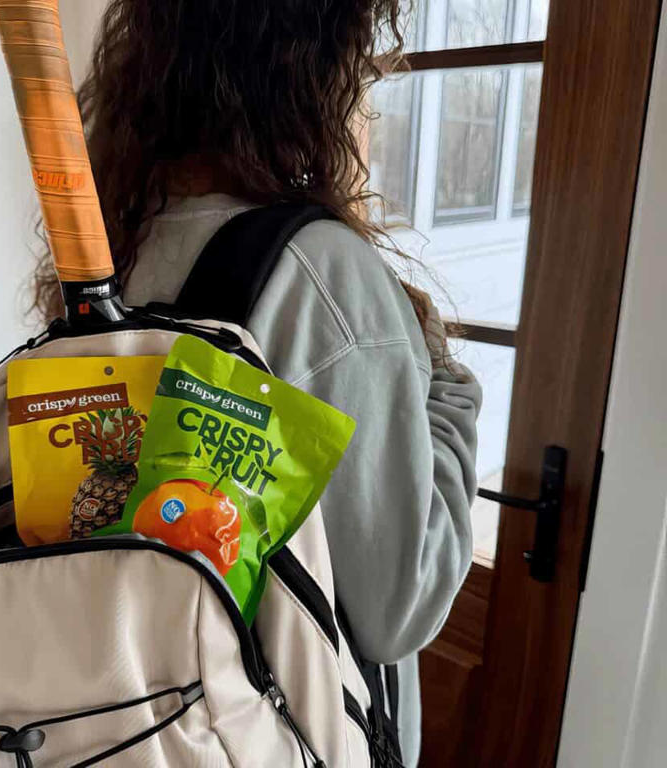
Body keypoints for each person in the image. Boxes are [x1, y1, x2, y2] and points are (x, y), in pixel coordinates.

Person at [33, 1, 482, 763]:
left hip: (124, 717)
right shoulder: (322, 276)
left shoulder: (115, 242)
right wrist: (448, 393)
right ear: (310, 74)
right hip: (268, 732)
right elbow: (396, 608)